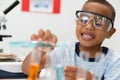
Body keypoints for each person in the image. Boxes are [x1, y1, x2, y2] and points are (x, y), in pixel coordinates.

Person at [22, 0, 120, 80]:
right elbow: (27, 69)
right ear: (77, 22)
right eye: (84, 19)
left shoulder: (115, 61)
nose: (89, 26)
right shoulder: (65, 50)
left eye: (99, 22)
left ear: (110, 32)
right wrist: (39, 51)